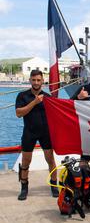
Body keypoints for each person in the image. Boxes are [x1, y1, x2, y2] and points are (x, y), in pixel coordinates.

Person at [15, 70, 58, 200]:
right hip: (29, 132)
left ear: (42, 81)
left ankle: (54, 185)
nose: (36, 82)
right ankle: (24, 187)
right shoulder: (22, 96)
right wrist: (34, 102)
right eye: (34, 80)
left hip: (45, 133)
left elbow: (58, 114)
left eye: (38, 80)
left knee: (50, 159)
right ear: (30, 80)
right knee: (25, 161)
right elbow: (18, 113)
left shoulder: (48, 97)